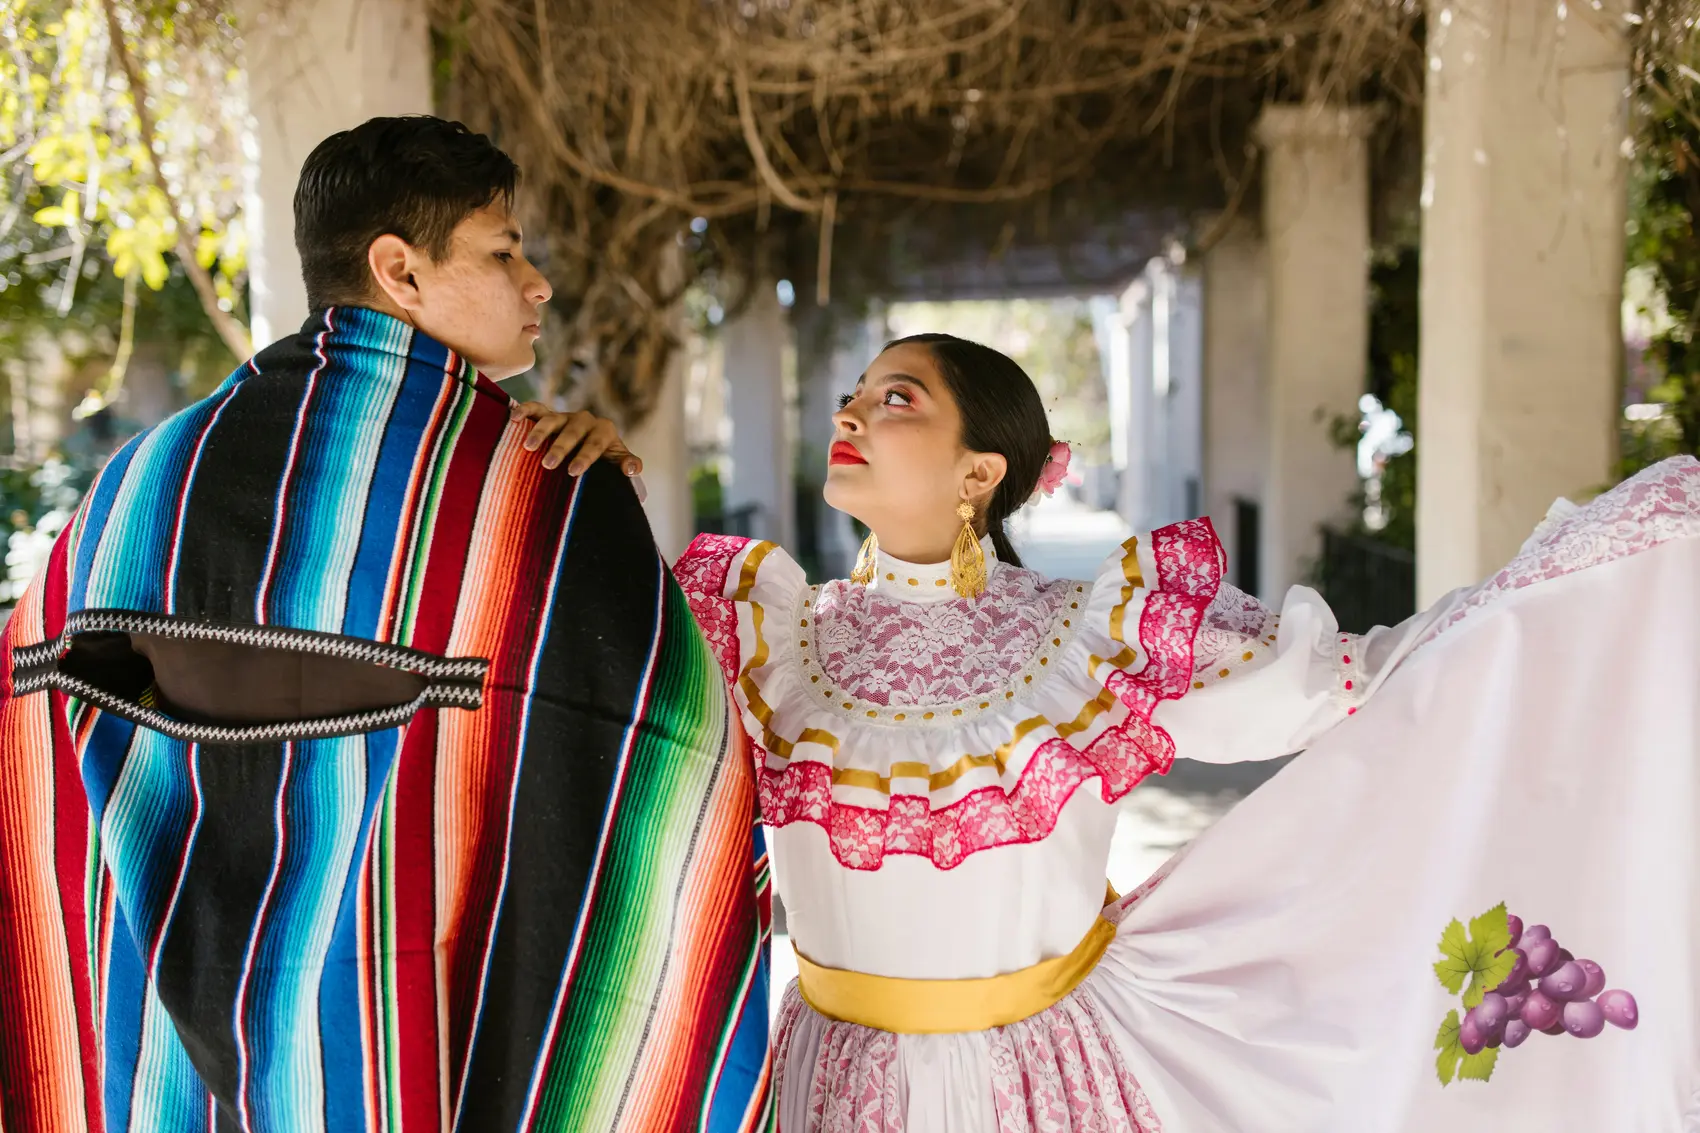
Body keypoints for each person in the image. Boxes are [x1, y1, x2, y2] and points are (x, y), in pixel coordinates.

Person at [520, 333, 1700, 1131]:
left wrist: (1571, 580)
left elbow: (1351, 681)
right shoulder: (763, 633)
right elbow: (575, 689)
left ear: (979, 470)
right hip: (829, 1079)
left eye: (897, 396)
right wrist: (569, 488)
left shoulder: (1087, 635)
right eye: (855, 392)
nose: (852, 411)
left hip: (1042, 1076)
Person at [0, 116, 771, 1133]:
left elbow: (33, 707)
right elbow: (665, 755)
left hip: (167, 1074)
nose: (537, 283)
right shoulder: (533, 493)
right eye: (503, 252)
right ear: (398, 270)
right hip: (406, 1047)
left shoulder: (140, 482)